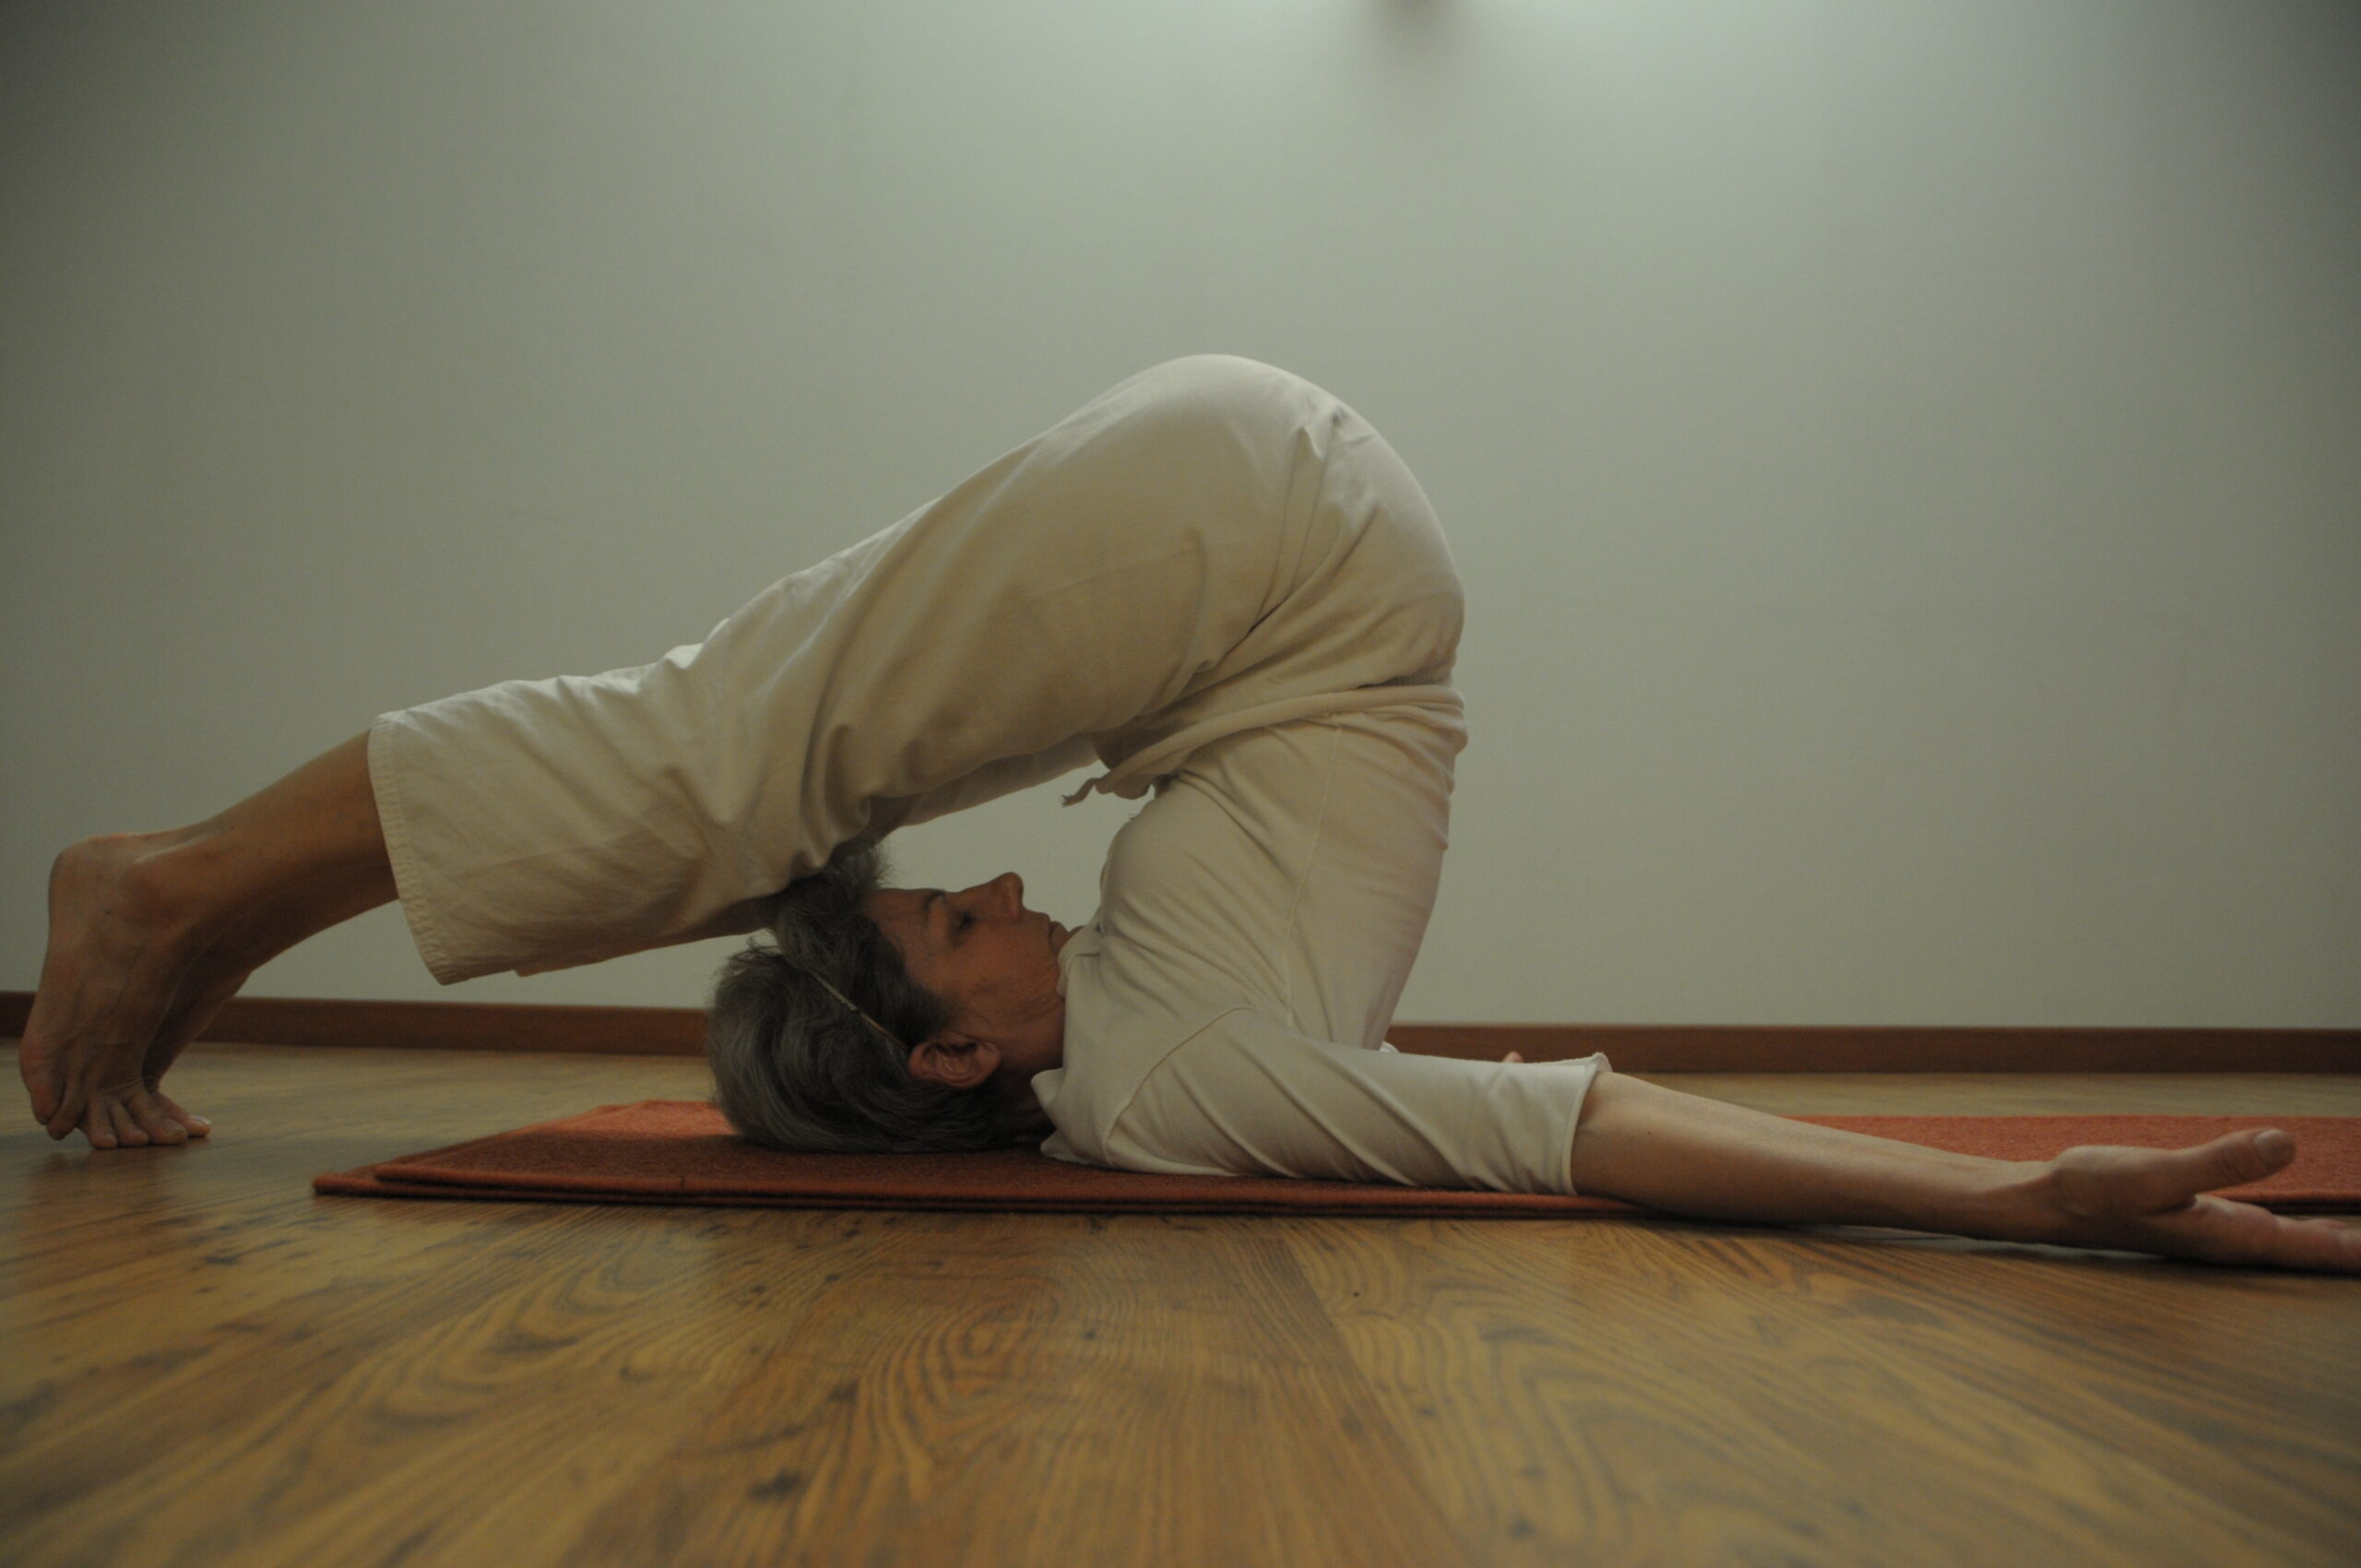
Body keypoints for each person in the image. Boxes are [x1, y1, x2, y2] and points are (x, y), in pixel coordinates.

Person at [18, 356, 2359, 1274]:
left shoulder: (1121, 1058)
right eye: (951, 926)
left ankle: (209, 898)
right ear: (957, 1055)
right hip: (1270, 555)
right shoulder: (1174, 1086)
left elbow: (1554, 1121)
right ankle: (194, 892)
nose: (996, 878)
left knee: (754, 764)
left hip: (1262, 554)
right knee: (743, 757)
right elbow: (1574, 1127)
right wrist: (2009, 1197)